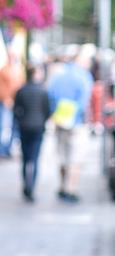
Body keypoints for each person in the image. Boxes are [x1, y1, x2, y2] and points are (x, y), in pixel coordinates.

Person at [47, 45, 95, 202]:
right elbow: (83, 102)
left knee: (62, 155)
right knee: (76, 157)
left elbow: (51, 96)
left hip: (60, 121)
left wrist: (58, 114)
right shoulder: (85, 77)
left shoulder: (58, 76)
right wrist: (72, 115)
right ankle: (71, 189)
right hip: (77, 123)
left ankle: (62, 187)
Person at [13, 64, 49, 202]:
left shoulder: (21, 91)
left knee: (25, 158)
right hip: (38, 128)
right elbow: (47, 111)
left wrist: (21, 121)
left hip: (25, 127)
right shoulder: (42, 91)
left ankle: (25, 185)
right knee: (34, 159)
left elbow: (16, 110)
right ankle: (31, 186)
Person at [0, 48, 26, 159]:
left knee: (15, 127)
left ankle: (9, 149)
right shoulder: (3, 70)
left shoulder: (18, 70)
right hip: (7, 103)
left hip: (16, 103)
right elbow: (0, 86)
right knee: (4, 127)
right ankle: (2, 150)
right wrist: (6, 98)